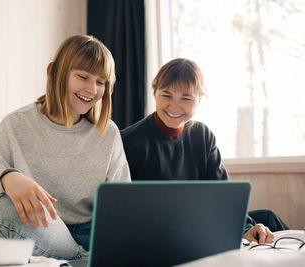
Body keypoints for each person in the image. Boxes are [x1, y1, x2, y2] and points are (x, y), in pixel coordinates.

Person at [0, 35, 131, 260]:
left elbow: (123, 203)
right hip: (42, 228)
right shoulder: (15, 125)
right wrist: (7, 179)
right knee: (6, 208)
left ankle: (77, 260)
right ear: (54, 72)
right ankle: (82, 260)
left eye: (100, 82)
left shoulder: (109, 134)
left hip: (91, 232)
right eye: (83, 77)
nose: (92, 89)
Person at [121, 58, 288, 244]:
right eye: (166, 95)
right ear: (154, 93)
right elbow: (123, 210)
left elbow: (222, 194)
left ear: (200, 99)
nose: (174, 106)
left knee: (268, 218)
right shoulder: (128, 141)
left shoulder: (202, 135)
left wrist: (246, 228)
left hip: (200, 222)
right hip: (159, 232)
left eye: (186, 98)